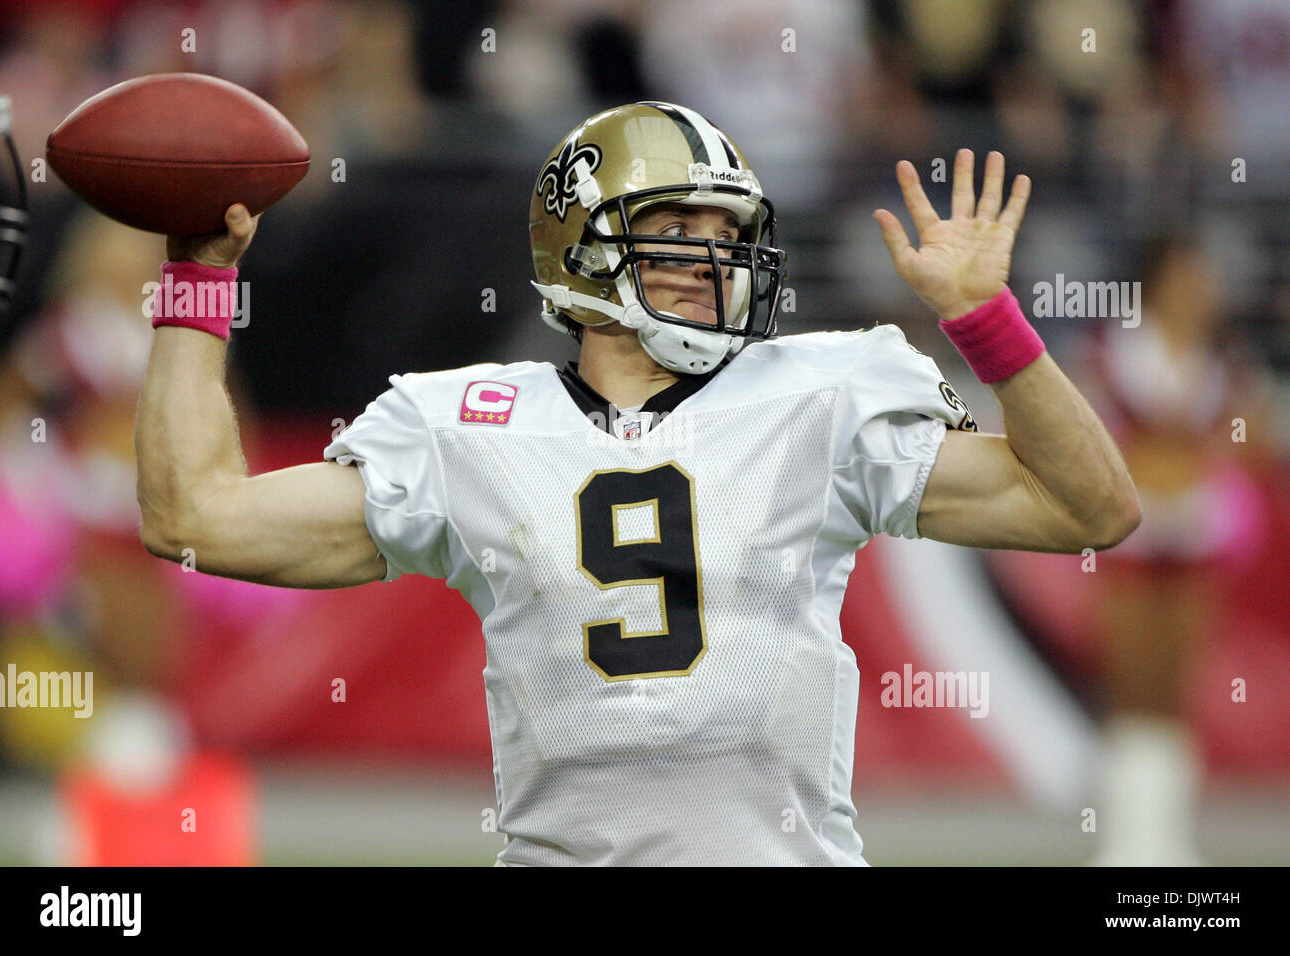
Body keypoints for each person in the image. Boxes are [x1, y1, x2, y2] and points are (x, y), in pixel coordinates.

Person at [135, 101, 1140, 865]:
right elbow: (196, 517)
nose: (710, 255)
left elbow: (1090, 508)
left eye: (725, 228)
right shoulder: (467, 425)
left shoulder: (823, 392)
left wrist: (987, 324)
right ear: (578, 242)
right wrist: (197, 278)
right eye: (677, 223)